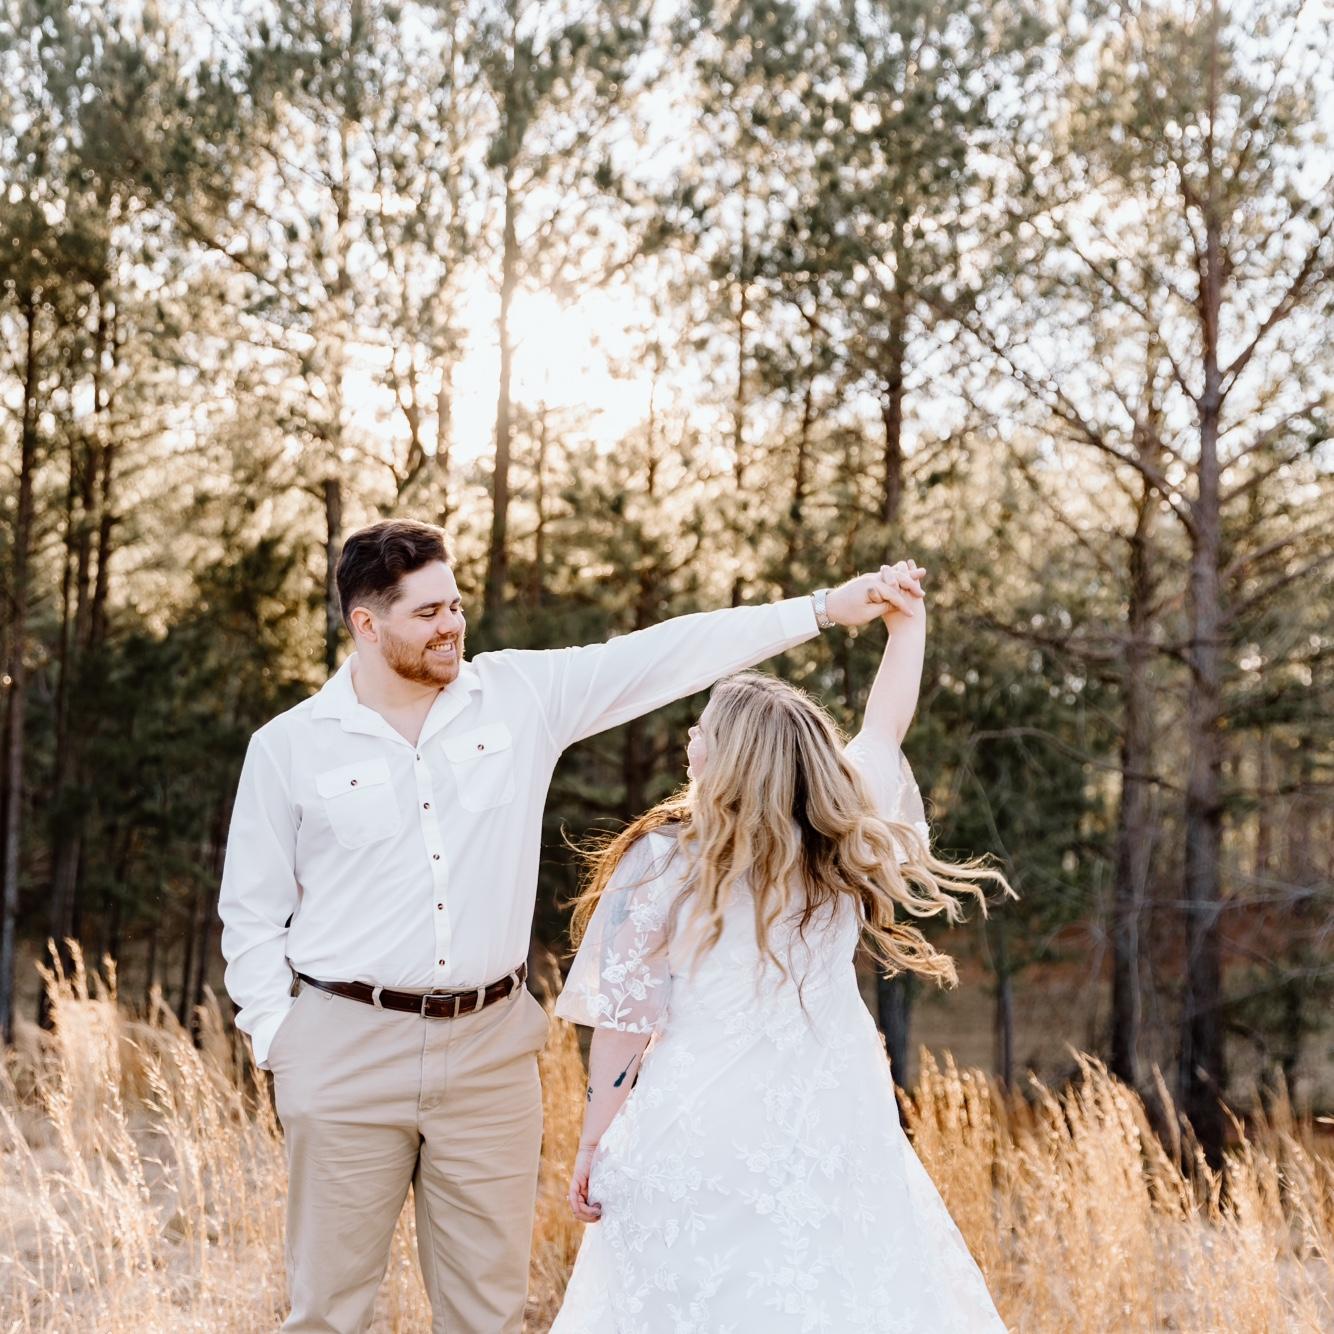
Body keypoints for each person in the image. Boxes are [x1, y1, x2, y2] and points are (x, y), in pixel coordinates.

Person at [217, 516, 918, 1334]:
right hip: (344, 1048)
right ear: (366, 625)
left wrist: (826, 608)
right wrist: (280, 1041)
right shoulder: (289, 747)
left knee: (489, 1315)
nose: (452, 625)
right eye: (428, 613)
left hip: (488, 1052)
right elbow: (251, 911)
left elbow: (668, 652)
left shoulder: (518, 696)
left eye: (455, 604)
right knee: (327, 1314)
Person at [552, 558, 1012, 1332]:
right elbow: (884, 727)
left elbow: (626, 1020)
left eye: (703, 730)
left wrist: (594, 1141)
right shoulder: (843, 830)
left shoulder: (665, 861)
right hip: (834, 1116)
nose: (691, 738)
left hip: (699, 1121)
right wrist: (907, 625)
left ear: (728, 758)